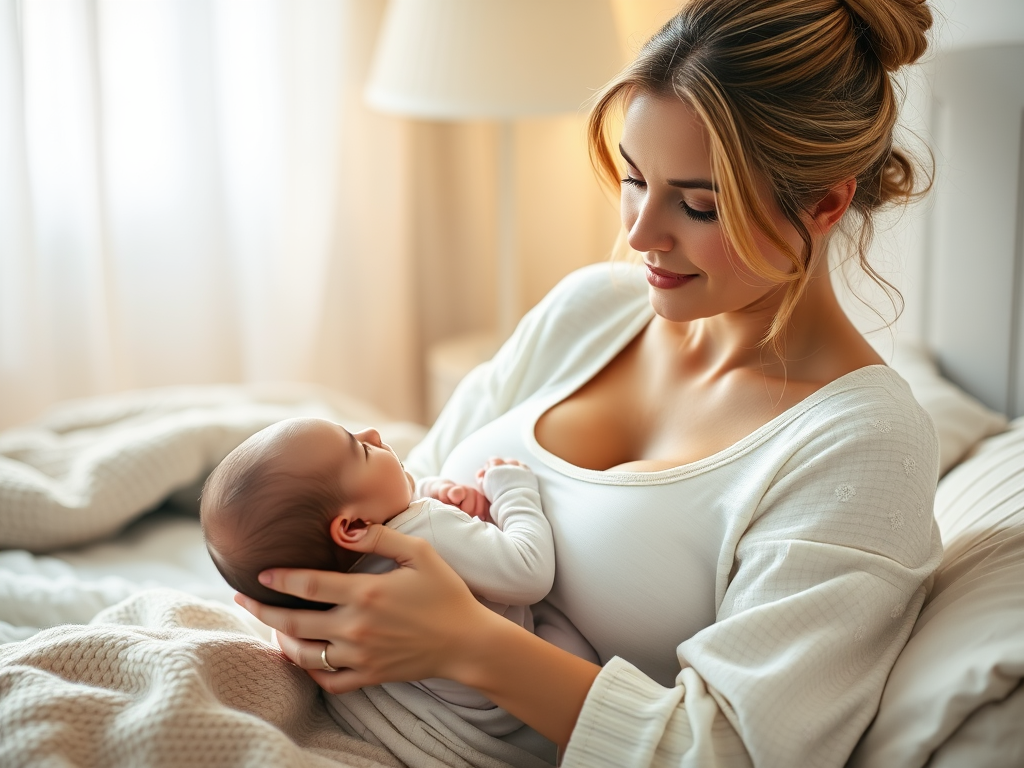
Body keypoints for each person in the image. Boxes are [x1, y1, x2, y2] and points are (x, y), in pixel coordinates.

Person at [233, 0, 944, 765]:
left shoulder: (861, 445)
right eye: (635, 179)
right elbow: (399, 492)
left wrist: (467, 645)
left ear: (826, 201)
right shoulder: (593, 306)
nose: (640, 234)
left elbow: (733, 749)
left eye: (697, 204)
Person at [200, 417, 598, 736]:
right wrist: (514, 493)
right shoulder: (428, 526)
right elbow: (530, 573)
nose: (373, 432)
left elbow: (400, 513)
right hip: (513, 715)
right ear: (354, 525)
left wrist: (435, 495)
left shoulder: (333, 579)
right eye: (362, 450)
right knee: (566, 628)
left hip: (438, 711)